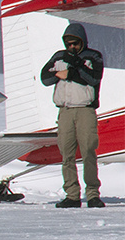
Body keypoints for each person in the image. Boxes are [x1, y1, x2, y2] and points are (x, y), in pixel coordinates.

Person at [40, 23, 104, 208]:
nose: (72, 47)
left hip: (85, 109)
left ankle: (92, 194)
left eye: (75, 43)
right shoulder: (59, 57)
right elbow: (45, 77)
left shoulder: (93, 56)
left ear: (82, 41)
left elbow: (93, 78)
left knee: (88, 152)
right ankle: (72, 195)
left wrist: (70, 71)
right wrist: (66, 73)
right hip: (65, 110)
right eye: (68, 44)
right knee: (66, 153)